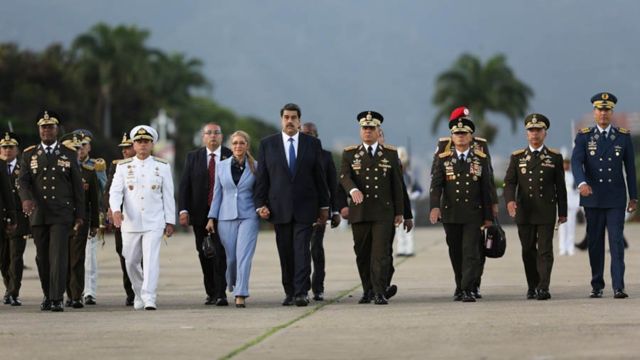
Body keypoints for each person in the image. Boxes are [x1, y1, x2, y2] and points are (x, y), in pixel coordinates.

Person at [254, 103, 329, 307]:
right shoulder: (268, 144)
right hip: (279, 209)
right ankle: (289, 290)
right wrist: (260, 203)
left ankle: (302, 292)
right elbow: (262, 178)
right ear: (281, 120)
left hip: (306, 207)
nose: (289, 121)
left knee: (302, 250)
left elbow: (319, 177)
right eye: (286, 117)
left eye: (293, 117)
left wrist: (324, 206)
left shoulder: (312, 144)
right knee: (285, 252)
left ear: (299, 121)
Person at [571, 92, 637, 299]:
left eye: (607, 110)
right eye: (600, 110)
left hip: (616, 197)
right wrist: (581, 183)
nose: (603, 114)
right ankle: (597, 284)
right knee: (595, 242)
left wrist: (633, 196)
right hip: (593, 197)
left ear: (612, 112)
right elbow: (576, 162)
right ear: (594, 112)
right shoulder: (584, 136)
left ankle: (619, 286)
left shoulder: (623, 136)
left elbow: (631, 169)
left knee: (616, 242)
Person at [18, 111, 85, 312]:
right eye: (43, 127)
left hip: (61, 213)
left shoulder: (68, 153)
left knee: (58, 255)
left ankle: (57, 297)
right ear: (39, 130)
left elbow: (77, 187)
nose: (47, 130)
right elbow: (22, 181)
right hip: (39, 213)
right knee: (42, 257)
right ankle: (48, 294)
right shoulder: (29, 154)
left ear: (57, 129)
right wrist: (26, 199)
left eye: (50, 127)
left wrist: (80, 214)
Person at [430, 106, 497, 299]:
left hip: (473, 212)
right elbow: (436, 183)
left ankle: (468, 287)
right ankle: (461, 285)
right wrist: (434, 207)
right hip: (451, 212)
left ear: (470, 135)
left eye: (464, 132)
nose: (460, 135)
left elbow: (487, 183)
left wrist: (489, 212)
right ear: (452, 134)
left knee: (472, 251)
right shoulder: (444, 154)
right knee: (456, 251)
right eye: (457, 132)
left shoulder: (480, 155)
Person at [340, 111, 404, 305]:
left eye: (371, 128)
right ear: (360, 131)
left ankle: (379, 292)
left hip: (383, 212)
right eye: (364, 128)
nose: (367, 131)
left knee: (381, 253)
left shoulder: (390, 154)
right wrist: (352, 191)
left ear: (378, 131)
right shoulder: (350, 153)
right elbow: (344, 177)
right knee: (362, 253)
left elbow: (397, 185)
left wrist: (400, 212)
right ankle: (367, 289)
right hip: (360, 211)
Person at [109, 125, 175, 310]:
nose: (142, 145)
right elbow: (115, 191)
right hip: (130, 222)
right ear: (133, 144)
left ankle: (149, 297)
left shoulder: (162, 166)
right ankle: (138, 292)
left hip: (154, 221)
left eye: (146, 141)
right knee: (130, 260)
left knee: (151, 259)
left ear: (152, 144)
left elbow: (168, 195)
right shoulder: (123, 167)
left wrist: (170, 220)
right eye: (138, 142)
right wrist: (115, 210)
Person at [504, 113, 567, 300]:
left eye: (538, 130)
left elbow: (560, 187)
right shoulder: (517, 157)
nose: (534, 134)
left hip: (546, 210)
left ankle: (543, 287)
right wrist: (510, 201)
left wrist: (562, 212)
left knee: (545, 250)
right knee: (528, 250)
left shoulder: (554, 157)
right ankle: (532, 285)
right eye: (531, 130)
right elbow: (509, 183)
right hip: (525, 211)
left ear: (544, 133)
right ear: (526, 134)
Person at [178, 123, 232, 306]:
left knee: (220, 253)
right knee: (204, 253)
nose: (213, 136)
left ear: (222, 137)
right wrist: (184, 210)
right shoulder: (194, 157)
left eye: (216, 133)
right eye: (209, 133)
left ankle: (221, 292)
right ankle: (210, 291)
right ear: (203, 137)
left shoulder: (229, 155)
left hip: (223, 214)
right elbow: (185, 185)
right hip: (199, 214)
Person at [206, 131, 260, 308]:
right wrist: (211, 218)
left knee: (244, 256)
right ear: (231, 146)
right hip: (225, 217)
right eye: (235, 143)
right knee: (231, 259)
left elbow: (260, 192)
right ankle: (233, 284)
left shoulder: (256, 166)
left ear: (247, 146)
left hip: (249, 216)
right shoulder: (221, 166)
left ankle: (241, 293)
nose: (238, 146)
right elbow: (217, 194)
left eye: (242, 143)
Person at [301, 122, 341, 302]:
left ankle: (318, 287)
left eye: (310, 133)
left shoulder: (325, 156)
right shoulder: (295, 155)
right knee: (301, 250)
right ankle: (302, 285)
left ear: (317, 136)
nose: (307, 136)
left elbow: (333, 185)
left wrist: (335, 211)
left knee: (316, 249)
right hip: (300, 211)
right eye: (305, 133)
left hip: (320, 211)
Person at [61, 133, 99, 309]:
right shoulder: (56, 170)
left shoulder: (88, 172)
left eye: (78, 148)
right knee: (62, 259)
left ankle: (76, 295)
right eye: (72, 149)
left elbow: (93, 200)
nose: (77, 151)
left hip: (79, 220)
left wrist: (94, 224)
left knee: (77, 258)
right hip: (59, 220)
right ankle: (65, 293)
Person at [73, 129, 106, 306]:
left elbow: (102, 190)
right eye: (77, 146)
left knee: (89, 254)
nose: (80, 149)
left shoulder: (96, 165)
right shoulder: (67, 164)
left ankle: (90, 291)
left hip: (91, 212)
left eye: (83, 145)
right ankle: (74, 290)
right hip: (72, 216)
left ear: (89, 147)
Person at [104, 132, 136, 305]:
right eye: (123, 148)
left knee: (143, 256)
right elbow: (109, 190)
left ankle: (143, 288)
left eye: (128, 147)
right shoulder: (116, 165)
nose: (125, 151)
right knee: (124, 254)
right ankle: (130, 292)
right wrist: (109, 209)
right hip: (122, 218)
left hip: (141, 218)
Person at [0, 132, 20, 305]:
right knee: (3, 258)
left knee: (15, 256)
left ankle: (13, 292)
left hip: (18, 218)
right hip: (1, 218)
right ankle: (8, 286)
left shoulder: (25, 165)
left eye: (10, 147)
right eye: (4, 147)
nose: (7, 150)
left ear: (17, 150)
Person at [395, 146, 422, 257]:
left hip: (410, 207)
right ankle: (401, 249)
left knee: (409, 230)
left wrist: (412, 196)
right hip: (398, 207)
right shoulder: (396, 175)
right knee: (399, 230)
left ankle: (409, 249)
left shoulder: (411, 176)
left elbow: (419, 190)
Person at [559, 158, 579, 256]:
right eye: (564, 164)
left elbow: (577, 191)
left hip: (572, 203)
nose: (566, 166)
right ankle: (562, 248)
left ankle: (570, 247)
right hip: (562, 203)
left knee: (571, 226)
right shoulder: (559, 175)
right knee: (562, 227)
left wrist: (577, 204)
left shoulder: (573, 176)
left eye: (567, 164)